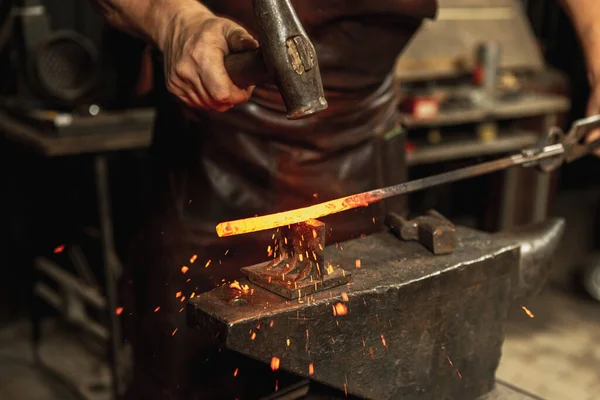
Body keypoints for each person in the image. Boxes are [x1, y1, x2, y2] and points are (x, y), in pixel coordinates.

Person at [93, 0, 600, 398]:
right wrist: (174, 18)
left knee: (373, 359)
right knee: (190, 364)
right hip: (215, 157)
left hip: (363, 154)